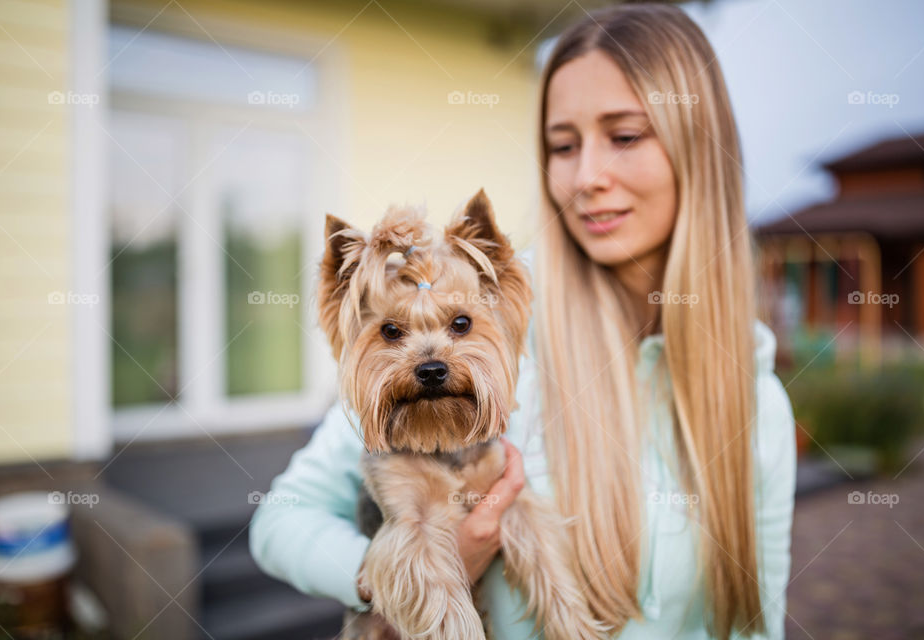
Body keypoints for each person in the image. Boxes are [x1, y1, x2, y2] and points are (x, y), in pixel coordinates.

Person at [249, 3, 796, 639]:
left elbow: (757, 625)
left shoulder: (758, 405)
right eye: (563, 146)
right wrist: (403, 571)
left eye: (624, 136)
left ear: (699, 150)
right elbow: (280, 519)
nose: (587, 176)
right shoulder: (492, 326)